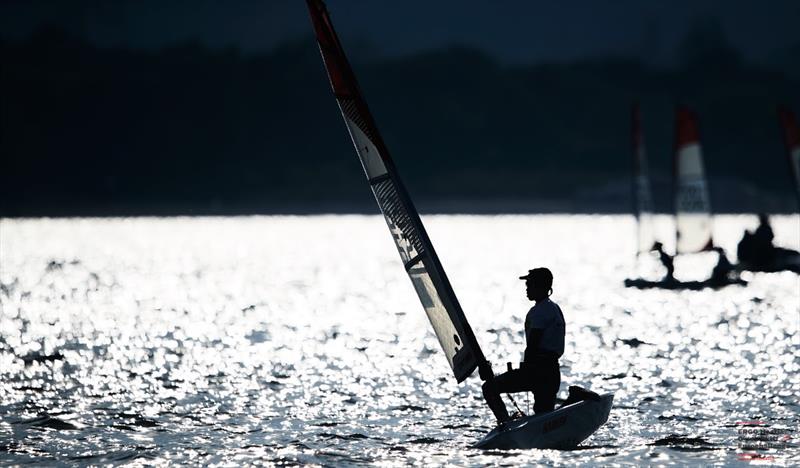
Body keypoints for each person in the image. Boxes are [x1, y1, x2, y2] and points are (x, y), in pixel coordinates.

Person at [481, 267, 565, 425]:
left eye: (530, 285)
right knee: (544, 417)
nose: (526, 289)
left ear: (540, 286)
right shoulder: (553, 307)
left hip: (539, 372)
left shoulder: (540, 311)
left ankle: (505, 423)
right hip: (552, 372)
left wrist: (526, 370)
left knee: (489, 388)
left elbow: (534, 344)